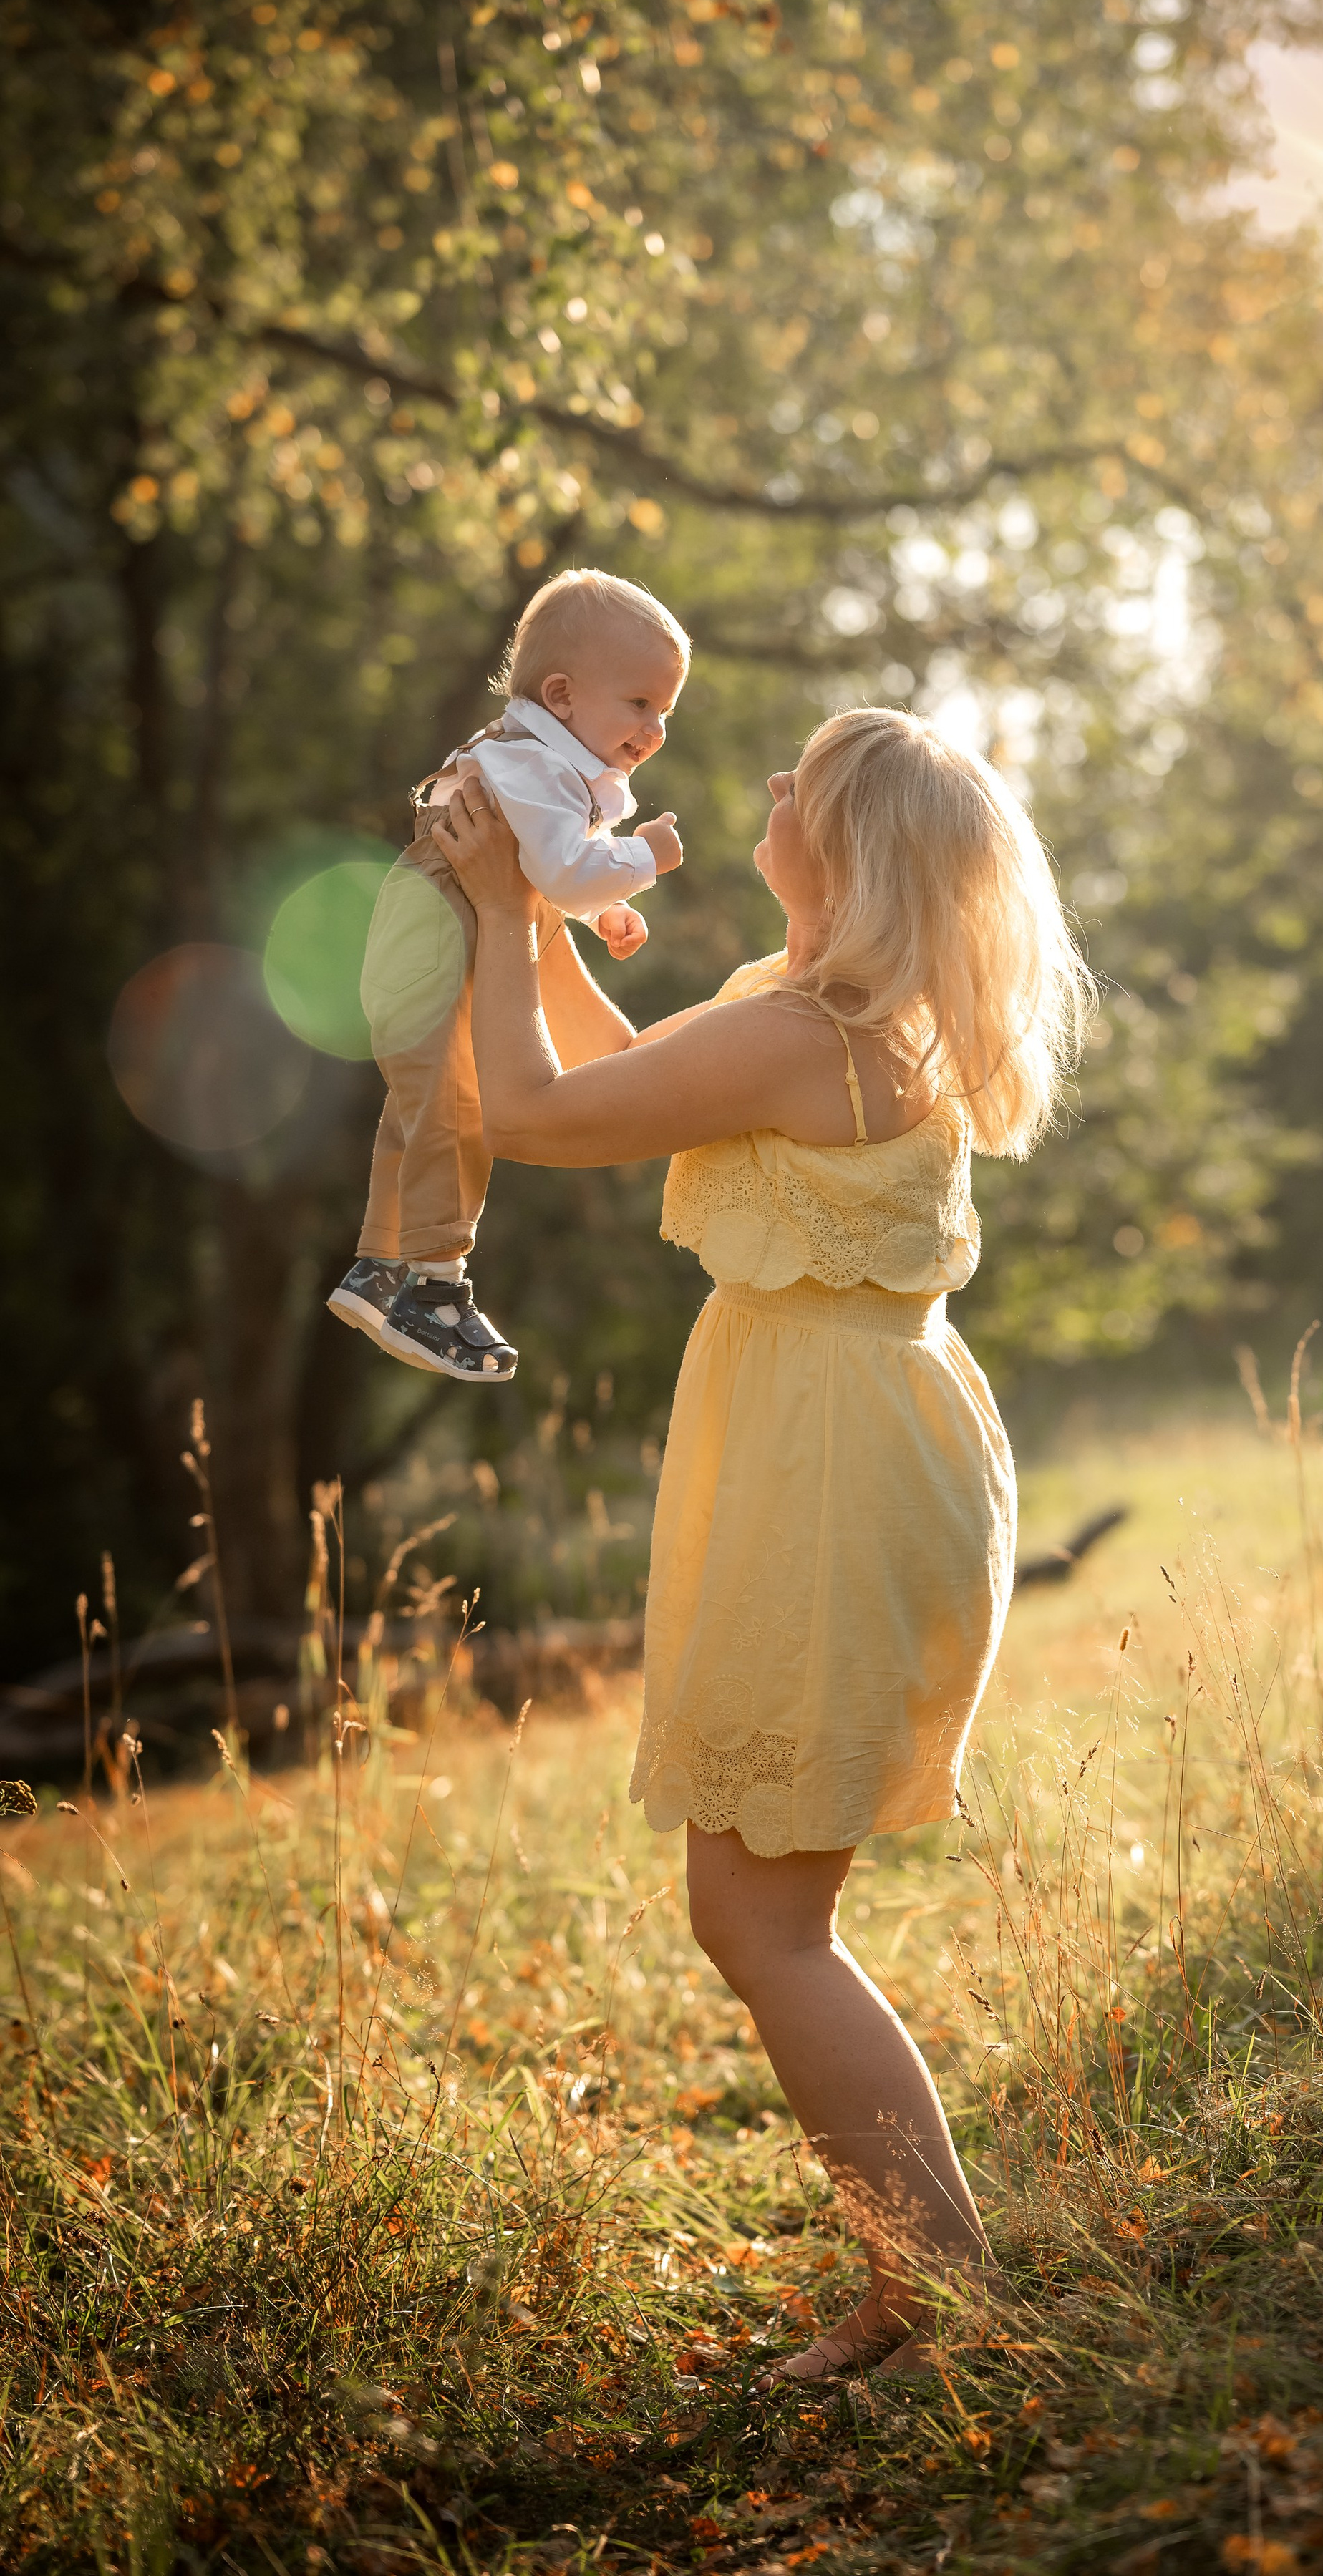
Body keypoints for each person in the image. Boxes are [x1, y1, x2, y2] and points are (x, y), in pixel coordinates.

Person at [435, 705, 1091, 2378]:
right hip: (836, 1431)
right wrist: (539, 910)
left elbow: (531, 1105)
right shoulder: (809, 1018)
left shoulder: (815, 1035)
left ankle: (932, 2287)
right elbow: (632, 1066)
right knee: (756, 1905)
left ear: (844, 849)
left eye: (803, 779)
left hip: (832, 1463)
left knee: (758, 1917)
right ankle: (922, 2277)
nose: (770, 785)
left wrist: (505, 902)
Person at [326, 568, 689, 1382]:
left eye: (666, 710)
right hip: (434, 934)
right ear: (560, 695)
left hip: (424, 929)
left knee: (420, 1104)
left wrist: (605, 913)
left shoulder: (533, 763)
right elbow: (561, 870)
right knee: (458, 1104)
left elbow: (544, 866)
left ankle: (379, 1263)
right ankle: (436, 1289)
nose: (657, 727)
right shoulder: (533, 764)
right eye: (640, 703)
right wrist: (644, 860)